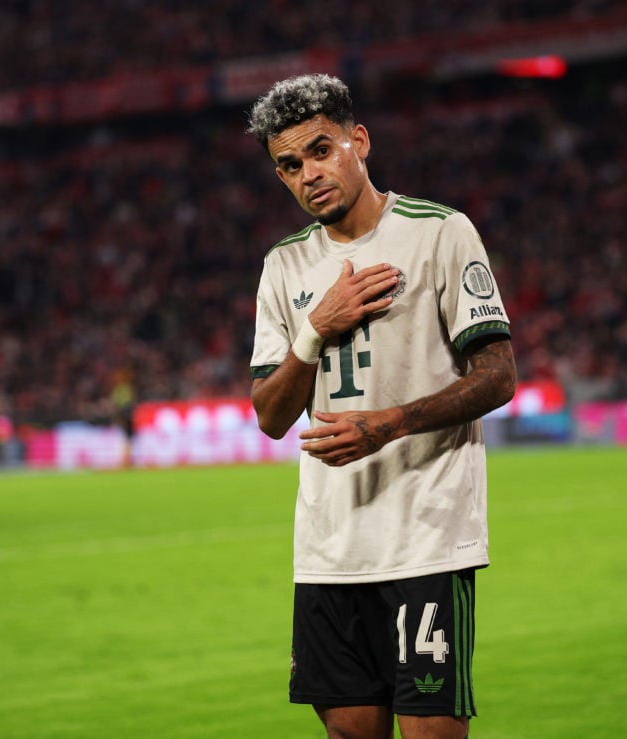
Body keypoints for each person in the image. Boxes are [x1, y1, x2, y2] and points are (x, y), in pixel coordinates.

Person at [247, 74, 517, 739]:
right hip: (328, 547)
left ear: (357, 141)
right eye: (289, 165)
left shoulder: (441, 233)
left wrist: (390, 423)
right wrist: (317, 327)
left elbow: (499, 375)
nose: (308, 174)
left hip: (425, 537)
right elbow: (271, 415)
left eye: (321, 150)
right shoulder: (283, 267)